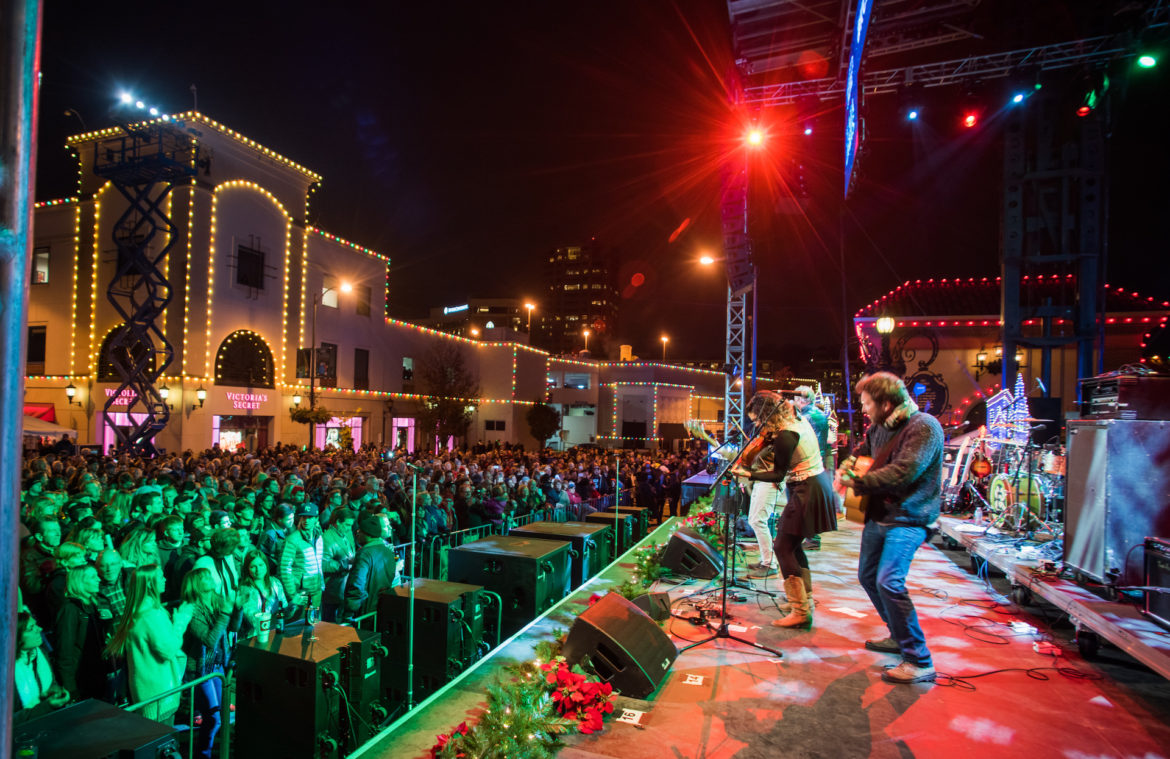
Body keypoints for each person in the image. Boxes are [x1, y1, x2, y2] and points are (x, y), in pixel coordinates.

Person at [835, 372, 944, 685]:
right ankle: (899, 634)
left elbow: (904, 472)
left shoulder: (924, 426)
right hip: (879, 516)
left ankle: (919, 659)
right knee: (868, 577)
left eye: (868, 404)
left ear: (885, 403)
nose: (865, 410)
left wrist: (857, 482)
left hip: (909, 518)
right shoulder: (880, 426)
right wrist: (847, 466)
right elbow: (863, 453)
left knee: (889, 582)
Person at [731, 391, 836, 628]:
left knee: (782, 546)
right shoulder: (795, 421)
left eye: (758, 419)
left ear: (768, 414)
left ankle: (800, 611)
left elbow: (777, 474)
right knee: (793, 545)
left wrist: (748, 473)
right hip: (811, 485)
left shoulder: (786, 435)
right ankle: (804, 600)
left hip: (806, 489)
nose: (757, 425)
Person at [105, 565, 192, 724]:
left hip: (148, 693)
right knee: (161, 743)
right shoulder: (150, 616)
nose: (165, 579)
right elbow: (168, 650)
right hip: (159, 696)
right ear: (150, 583)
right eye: (160, 577)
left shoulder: (138, 611)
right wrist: (181, 622)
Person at [180, 568, 232, 759]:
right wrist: (226, 614)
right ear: (194, 584)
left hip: (217, 666)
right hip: (201, 670)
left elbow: (233, 627)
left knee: (218, 714)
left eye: (210, 575)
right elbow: (210, 640)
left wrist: (239, 609)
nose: (210, 578)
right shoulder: (191, 609)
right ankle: (203, 754)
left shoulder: (218, 601)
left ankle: (207, 752)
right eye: (204, 577)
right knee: (213, 719)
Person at [54, 564, 109, 702]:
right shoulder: (70, 609)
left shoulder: (93, 605)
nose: (98, 579)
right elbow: (64, 652)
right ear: (79, 582)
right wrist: (70, 689)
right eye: (92, 577)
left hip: (96, 674)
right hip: (81, 680)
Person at [13, 613, 71, 723]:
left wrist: (53, 692)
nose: (39, 629)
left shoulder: (40, 654)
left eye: (36, 625)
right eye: (31, 628)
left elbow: (50, 683)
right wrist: (46, 706)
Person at [344, 514, 398, 619]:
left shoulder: (365, 554)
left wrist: (350, 610)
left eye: (360, 531)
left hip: (364, 610)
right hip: (380, 606)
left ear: (368, 534)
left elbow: (357, 584)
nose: (357, 534)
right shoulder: (388, 551)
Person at [278, 503, 325, 619]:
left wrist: (321, 584)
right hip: (301, 593)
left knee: (314, 626)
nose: (306, 520)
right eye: (304, 517)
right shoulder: (292, 540)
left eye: (310, 517)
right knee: (297, 629)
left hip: (316, 590)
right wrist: (292, 594)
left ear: (316, 518)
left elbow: (319, 563)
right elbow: (284, 569)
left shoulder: (319, 537)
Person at [236, 550, 290, 640]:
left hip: (277, 632)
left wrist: (293, 606)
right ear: (247, 569)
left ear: (266, 565)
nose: (258, 570)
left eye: (261, 565)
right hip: (255, 637)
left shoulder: (275, 582)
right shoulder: (245, 589)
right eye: (253, 566)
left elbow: (284, 610)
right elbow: (254, 621)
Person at [321, 508, 357, 623]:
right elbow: (323, 565)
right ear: (337, 522)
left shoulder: (347, 533)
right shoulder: (327, 538)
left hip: (345, 587)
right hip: (333, 590)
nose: (349, 528)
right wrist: (345, 563)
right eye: (346, 525)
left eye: (351, 525)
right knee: (330, 624)